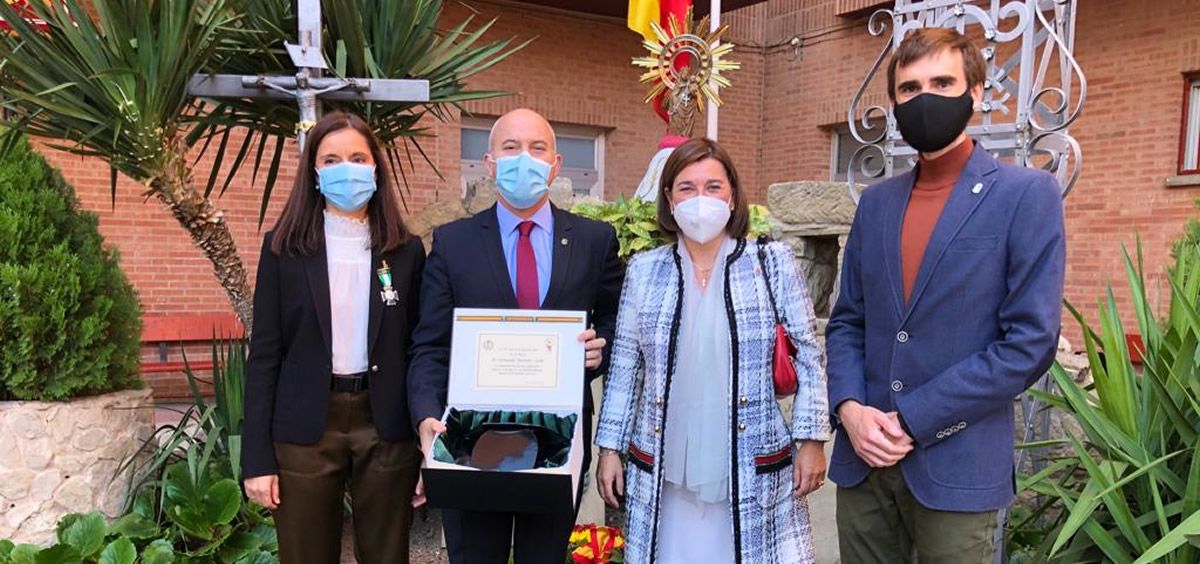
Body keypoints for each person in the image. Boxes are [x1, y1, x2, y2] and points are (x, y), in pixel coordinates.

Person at [825, 28, 1067, 564]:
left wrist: (914, 418)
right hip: (863, 464)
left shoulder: (1026, 194)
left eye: (941, 81)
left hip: (957, 466)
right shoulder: (876, 204)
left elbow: (1029, 342)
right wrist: (849, 410)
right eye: (909, 88)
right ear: (894, 102)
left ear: (975, 92)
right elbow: (847, 322)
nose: (924, 97)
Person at [594, 137, 831, 564]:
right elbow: (626, 366)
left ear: (733, 194)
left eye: (713, 187)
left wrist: (811, 438)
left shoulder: (770, 262)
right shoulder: (646, 271)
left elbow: (808, 356)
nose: (699, 199)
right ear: (668, 197)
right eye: (686, 188)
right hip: (665, 465)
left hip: (753, 459)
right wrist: (609, 449)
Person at [407, 108, 624, 564]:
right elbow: (430, 343)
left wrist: (598, 349)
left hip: (557, 440)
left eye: (536, 148)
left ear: (556, 164)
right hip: (471, 440)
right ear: (489, 164)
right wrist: (425, 414)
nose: (524, 158)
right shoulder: (453, 242)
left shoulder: (593, 240)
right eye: (511, 148)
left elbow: (614, 320)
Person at [241, 111, 426, 564]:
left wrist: (427, 450)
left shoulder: (405, 251)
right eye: (332, 158)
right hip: (306, 423)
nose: (347, 168)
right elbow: (265, 354)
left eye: (358, 157)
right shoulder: (282, 249)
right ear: (315, 172)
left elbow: (420, 349)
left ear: (376, 167)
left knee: (386, 555)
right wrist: (257, 460)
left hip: (384, 422)